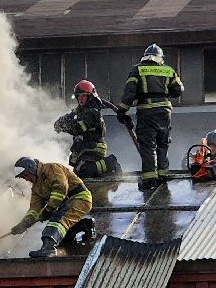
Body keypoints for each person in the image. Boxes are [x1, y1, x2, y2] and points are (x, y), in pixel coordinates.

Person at [118, 43, 183, 191]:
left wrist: (122, 110)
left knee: (148, 145)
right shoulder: (169, 70)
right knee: (163, 143)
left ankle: (149, 180)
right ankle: (162, 176)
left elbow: (129, 92)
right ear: (160, 58)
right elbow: (179, 90)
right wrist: (164, 94)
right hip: (165, 112)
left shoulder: (138, 70)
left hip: (146, 112)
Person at [10, 157, 94, 259]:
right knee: (64, 238)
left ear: (31, 168)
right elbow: (34, 209)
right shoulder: (36, 188)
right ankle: (85, 225)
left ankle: (49, 249)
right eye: (24, 178)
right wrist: (24, 224)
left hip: (80, 198)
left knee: (57, 219)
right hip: (67, 203)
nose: (26, 179)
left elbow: (61, 187)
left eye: (26, 175)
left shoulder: (51, 168)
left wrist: (49, 209)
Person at [53, 79, 121, 178]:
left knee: (84, 171)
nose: (81, 98)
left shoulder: (92, 112)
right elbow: (65, 120)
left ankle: (110, 164)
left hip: (93, 149)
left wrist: (63, 126)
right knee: (77, 173)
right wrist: (64, 120)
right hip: (84, 149)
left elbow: (77, 129)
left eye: (84, 95)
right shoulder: (82, 111)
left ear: (90, 97)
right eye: (79, 96)